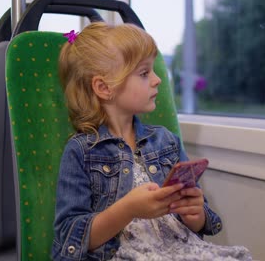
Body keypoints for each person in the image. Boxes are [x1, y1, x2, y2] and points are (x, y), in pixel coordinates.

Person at [52, 22, 252, 260]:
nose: (158, 79)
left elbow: (198, 219)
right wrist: (128, 209)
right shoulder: (82, 151)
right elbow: (69, 236)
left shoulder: (166, 141)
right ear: (104, 87)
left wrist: (195, 214)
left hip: (183, 250)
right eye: (144, 73)